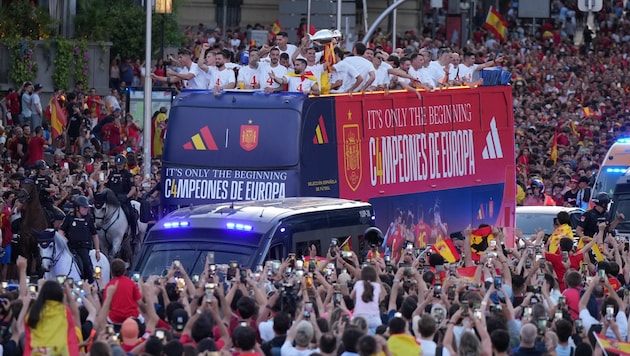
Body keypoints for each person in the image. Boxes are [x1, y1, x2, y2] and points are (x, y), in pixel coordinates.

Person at [24, 279, 81, 355]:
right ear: (60, 294)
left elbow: (28, 340)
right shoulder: (64, 311)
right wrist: (68, 293)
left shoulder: (33, 311)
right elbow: (71, 337)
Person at [58, 195, 100, 283]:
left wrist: (97, 250)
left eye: (87, 208)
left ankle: (90, 283)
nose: (86, 209)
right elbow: (61, 230)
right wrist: (64, 239)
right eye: (84, 207)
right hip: (70, 247)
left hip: (83, 247)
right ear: (77, 208)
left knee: (86, 263)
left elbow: (94, 235)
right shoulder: (70, 217)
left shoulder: (89, 219)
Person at [105, 154, 138, 242]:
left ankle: (134, 235)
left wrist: (126, 196)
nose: (119, 165)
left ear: (124, 164)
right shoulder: (111, 174)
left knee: (131, 213)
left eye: (120, 164)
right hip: (112, 199)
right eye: (117, 164)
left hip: (123, 199)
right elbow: (106, 186)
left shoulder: (128, 175)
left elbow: (133, 189)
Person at [350, 265, 382, 334]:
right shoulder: (378, 285)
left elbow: (351, 297)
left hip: (359, 318)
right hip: (375, 319)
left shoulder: (358, 283)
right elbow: (379, 301)